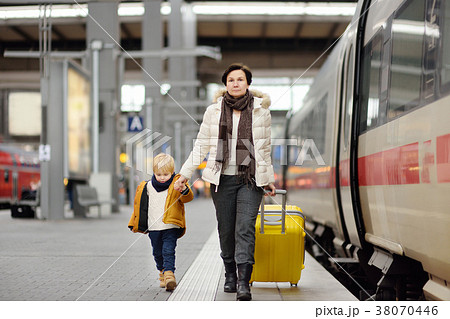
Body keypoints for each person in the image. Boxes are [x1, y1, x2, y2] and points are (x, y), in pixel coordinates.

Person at [174, 63, 276, 301]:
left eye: (240, 79)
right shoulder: (214, 111)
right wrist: (184, 174)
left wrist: (269, 178)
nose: (236, 83)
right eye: (231, 80)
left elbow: (265, 149)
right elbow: (201, 145)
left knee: (245, 228)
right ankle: (229, 273)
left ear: (248, 83)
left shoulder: (262, 110)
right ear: (225, 84)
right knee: (226, 228)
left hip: (250, 179)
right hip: (221, 179)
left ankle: (243, 282)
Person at [128, 153, 194, 291]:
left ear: (172, 172)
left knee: (168, 250)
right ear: (154, 173)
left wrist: (184, 190)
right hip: (154, 227)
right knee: (157, 252)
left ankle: (170, 274)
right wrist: (136, 221)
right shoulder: (147, 187)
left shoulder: (177, 184)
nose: (162, 177)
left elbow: (188, 198)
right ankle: (162, 272)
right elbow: (140, 205)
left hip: (171, 225)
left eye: (165, 174)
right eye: (159, 174)